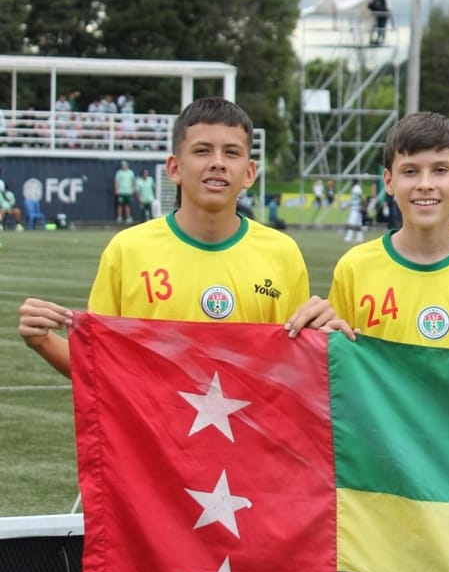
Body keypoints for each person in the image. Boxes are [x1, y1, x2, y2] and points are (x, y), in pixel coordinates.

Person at [18, 96, 336, 379]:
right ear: (174, 168)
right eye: (202, 151)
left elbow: (292, 370)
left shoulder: (282, 253)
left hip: (248, 430)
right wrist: (43, 341)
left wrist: (328, 335)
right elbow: (101, 367)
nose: (217, 162)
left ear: (249, 173)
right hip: (153, 430)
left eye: (231, 153)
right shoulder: (128, 250)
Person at [320, 111, 449, 352]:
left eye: (440, 170)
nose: (425, 184)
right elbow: (338, 361)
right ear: (388, 181)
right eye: (410, 171)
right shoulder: (354, 268)